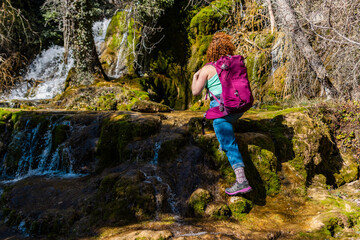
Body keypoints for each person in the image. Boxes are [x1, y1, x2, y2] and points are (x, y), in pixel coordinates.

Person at [191, 32, 252, 195]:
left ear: (210, 51)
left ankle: (242, 181)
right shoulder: (234, 63)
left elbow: (195, 91)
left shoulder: (207, 69)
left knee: (227, 142)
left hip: (222, 110)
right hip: (239, 108)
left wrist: (195, 76)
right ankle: (228, 124)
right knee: (226, 121)